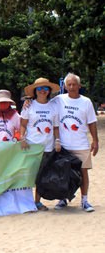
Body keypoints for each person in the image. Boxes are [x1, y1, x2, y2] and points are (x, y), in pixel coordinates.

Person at [50, 73, 99, 212]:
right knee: (63, 173)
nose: (71, 87)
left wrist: (95, 140)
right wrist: (29, 101)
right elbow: (43, 104)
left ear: (79, 85)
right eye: (69, 85)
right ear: (65, 86)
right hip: (64, 145)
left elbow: (92, 122)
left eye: (74, 84)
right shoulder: (58, 100)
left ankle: (84, 200)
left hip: (81, 144)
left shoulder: (86, 102)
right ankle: (62, 199)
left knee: (83, 172)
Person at [20, 78, 61, 211]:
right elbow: (23, 124)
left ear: (49, 91)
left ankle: (37, 202)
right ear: (35, 91)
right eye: (39, 88)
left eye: (45, 88)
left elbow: (55, 127)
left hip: (47, 147)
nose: (42, 91)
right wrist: (22, 138)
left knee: (41, 176)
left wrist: (57, 141)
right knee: (28, 176)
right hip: (31, 146)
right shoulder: (29, 105)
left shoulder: (53, 106)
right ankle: (26, 203)